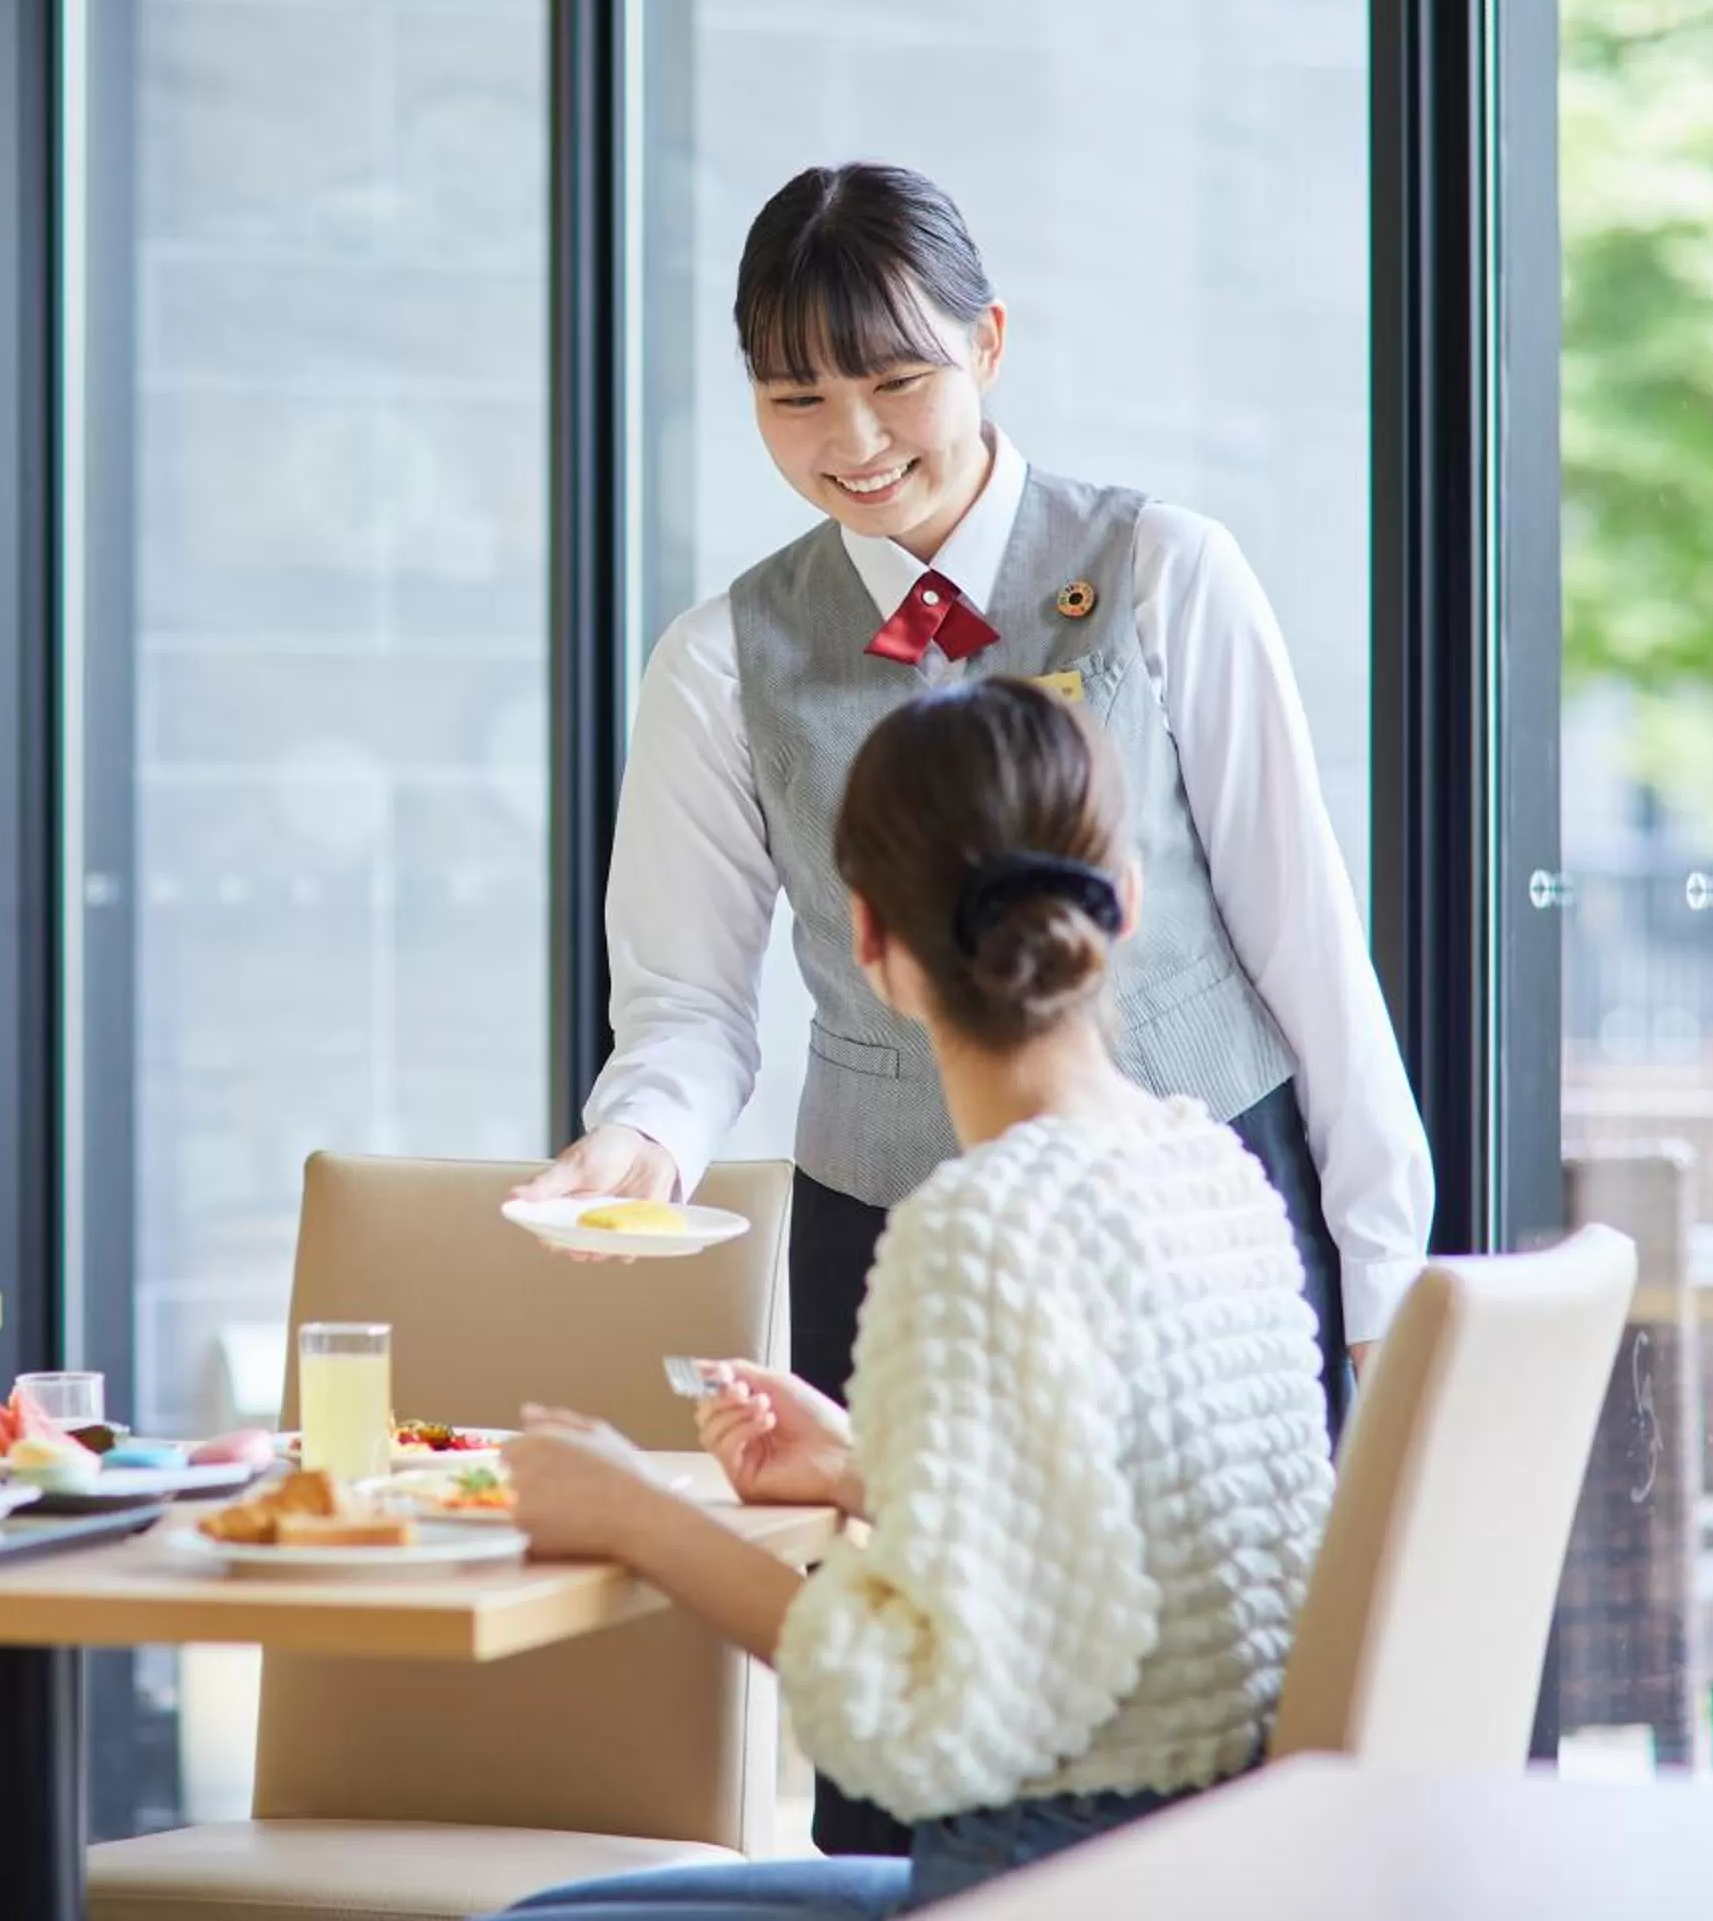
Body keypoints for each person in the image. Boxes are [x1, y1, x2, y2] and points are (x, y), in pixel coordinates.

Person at [510, 160, 1428, 1855]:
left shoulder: (1165, 572)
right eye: (796, 396)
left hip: (1198, 1192)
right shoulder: (723, 660)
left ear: (990, 343)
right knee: (917, 1764)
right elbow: (688, 1004)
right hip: (897, 1225)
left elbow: (1311, 950)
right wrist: (635, 1145)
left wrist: (1380, 1284)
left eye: (897, 378)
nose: (852, 435)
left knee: (1162, 1697)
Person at [495, 679, 1337, 1918]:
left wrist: (639, 1517)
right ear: (1129, 905)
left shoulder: (976, 1227)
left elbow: (911, 1721)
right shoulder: (1210, 1172)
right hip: (1220, 1862)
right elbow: (1118, 1540)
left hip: (1041, 1873)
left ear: (869, 941)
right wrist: (867, 1471)